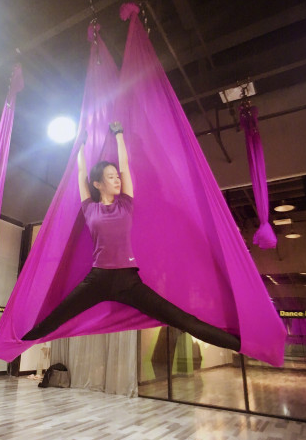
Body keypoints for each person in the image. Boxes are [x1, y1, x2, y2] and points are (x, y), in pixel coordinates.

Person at [22, 122, 241, 352]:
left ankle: (238, 344)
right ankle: (16, 344)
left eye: (116, 176)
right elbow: (80, 173)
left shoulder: (125, 204)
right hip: (97, 280)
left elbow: (125, 168)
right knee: (53, 319)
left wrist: (119, 135)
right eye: (110, 177)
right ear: (97, 184)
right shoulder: (89, 207)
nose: (117, 179)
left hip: (128, 282)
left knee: (183, 320)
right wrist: (81, 146)